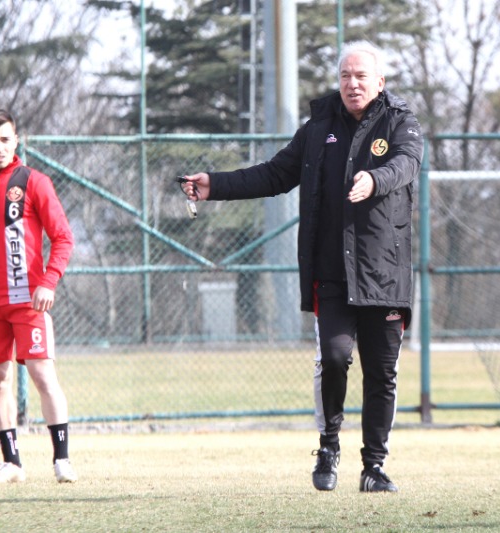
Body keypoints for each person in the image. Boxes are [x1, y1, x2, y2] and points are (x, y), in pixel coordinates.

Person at [180, 41, 423, 492]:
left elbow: (407, 165)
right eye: (345, 75)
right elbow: (274, 174)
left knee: (381, 373)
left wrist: (375, 178)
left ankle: (374, 467)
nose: (352, 83)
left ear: (380, 82)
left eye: (361, 76)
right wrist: (215, 185)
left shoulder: (401, 122)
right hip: (331, 270)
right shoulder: (318, 128)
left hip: (385, 272)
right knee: (333, 357)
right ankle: (329, 446)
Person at [0, 108, 77, 484]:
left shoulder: (34, 182)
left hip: (29, 299)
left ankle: (62, 460)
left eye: (5, 139)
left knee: (42, 373)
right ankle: (11, 463)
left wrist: (49, 281)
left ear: (16, 140)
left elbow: (64, 238)